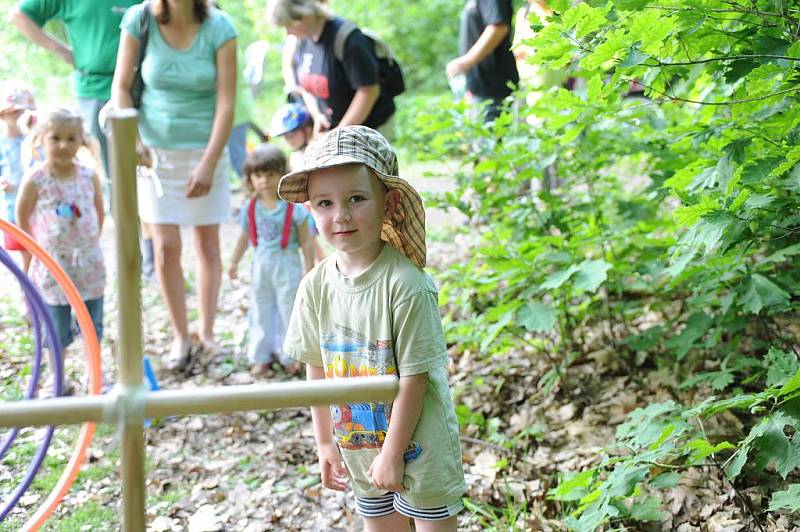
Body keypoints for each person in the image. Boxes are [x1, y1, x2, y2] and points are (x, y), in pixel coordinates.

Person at [280, 126, 466, 531]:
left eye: (357, 199)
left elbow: (415, 379)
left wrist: (393, 453)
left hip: (419, 445)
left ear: (390, 202)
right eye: (324, 203)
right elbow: (317, 370)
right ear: (310, 210)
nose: (340, 215)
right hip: (359, 445)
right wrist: (325, 442)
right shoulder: (314, 285)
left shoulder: (407, 285)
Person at [111, 0, 237, 371]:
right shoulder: (139, 18)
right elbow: (119, 87)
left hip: (205, 148)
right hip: (154, 153)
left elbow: (227, 102)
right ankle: (181, 334)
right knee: (165, 248)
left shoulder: (220, 27)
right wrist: (131, 139)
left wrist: (209, 162)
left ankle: (208, 332)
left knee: (207, 244)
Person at [15, 108, 105, 390]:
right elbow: (22, 219)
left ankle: (95, 377)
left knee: (92, 324)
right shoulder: (36, 179)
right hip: (53, 267)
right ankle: (58, 378)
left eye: (71, 138)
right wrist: (38, 253)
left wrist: (87, 241)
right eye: (56, 138)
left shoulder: (88, 176)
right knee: (56, 327)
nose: (64, 145)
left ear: (82, 141)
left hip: (88, 265)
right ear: (40, 139)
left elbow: (100, 212)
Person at [9, 0, 138, 180]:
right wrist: (63, 51)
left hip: (142, 87)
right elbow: (19, 16)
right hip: (95, 88)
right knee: (107, 172)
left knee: (145, 165)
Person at [227, 144, 314, 376]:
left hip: (287, 262)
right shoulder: (250, 207)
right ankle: (261, 355)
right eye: (258, 175)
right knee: (261, 308)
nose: (264, 180)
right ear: (250, 178)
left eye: (270, 174)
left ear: (281, 175)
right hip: (261, 263)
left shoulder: (293, 208)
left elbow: (307, 241)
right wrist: (234, 262)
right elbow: (244, 237)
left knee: (289, 308)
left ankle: (291, 356)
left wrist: (309, 268)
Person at [266, 0, 396, 138]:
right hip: (337, 130)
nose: (287, 33)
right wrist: (318, 116)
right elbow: (306, 85)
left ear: (305, 16)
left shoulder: (349, 40)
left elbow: (369, 91)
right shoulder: (302, 40)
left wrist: (339, 134)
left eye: (288, 26)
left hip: (369, 129)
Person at [270, 101, 326, 264]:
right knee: (309, 237)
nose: (288, 140)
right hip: (304, 205)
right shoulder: (295, 155)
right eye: (285, 137)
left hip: (318, 201)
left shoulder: (317, 149)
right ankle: (322, 262)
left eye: (292, 135)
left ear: (306, 129)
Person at [446, 0, 519, 123]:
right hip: (479, 87)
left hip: (493, 88)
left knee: (491, 140)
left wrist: (465, 61)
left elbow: (498, 27)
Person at [0, 81, 36, 272]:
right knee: (26, 254)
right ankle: (29, 295)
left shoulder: (33, 141)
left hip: (37, 208)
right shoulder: (2, 144)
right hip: (14, 206)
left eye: (24, 112)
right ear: (3, 114)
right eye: (15, 112)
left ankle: (41, 294)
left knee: (41, 253)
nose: (20, 116)